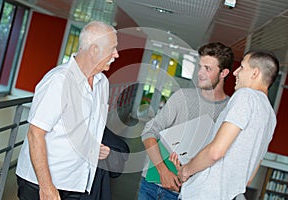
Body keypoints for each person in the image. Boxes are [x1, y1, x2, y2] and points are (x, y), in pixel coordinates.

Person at [16, 21, 119, 200]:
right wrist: (46, 186)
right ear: (94, 50)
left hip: (78, 184)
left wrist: (94, 148)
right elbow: (35, 134)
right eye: (113, 48)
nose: (116, 54)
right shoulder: (59, 81)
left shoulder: (102, 83)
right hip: (42, 184)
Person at [170, 50, 279, 200]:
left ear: (255, 74)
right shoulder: (270, 115)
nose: (235, 73)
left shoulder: (246, 96)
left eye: (241, 67)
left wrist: (186, 171)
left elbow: (216, 152)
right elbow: (251, 172)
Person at [138, 42, 234, 200]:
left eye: (207, 69)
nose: (200, 73)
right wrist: (163, 171)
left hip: (187, 194)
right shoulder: (182, 97)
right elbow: (149, 132)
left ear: (223, 73)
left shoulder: (229, 110)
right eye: (200, 66)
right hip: (152, 184)